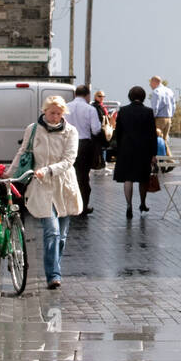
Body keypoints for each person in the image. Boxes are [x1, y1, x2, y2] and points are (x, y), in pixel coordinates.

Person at [7, 94, 82, 288]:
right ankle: (53, 275)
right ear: (44, 111)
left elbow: (69, 160)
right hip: (41, 186)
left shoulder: (71, 132)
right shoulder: (33, 130)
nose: (55, 117)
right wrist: (9, 174)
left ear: (63, 114)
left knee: (62, 236)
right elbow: (22, 152)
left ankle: (55, 266)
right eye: (51, 113)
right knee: (52, 231)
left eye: (58, 113)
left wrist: (49, 170)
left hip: (64, 185)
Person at [114, 86, 158, 217]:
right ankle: (143, 203)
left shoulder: (123, 111)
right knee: (143, 178)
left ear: (130, 96)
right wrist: (153, 154)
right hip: (143, 150)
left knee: (128, 178)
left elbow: (118, 132)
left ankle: (129, 205)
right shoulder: (148, 112)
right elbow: (152, 134)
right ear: (143, 97)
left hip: (126, 148)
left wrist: (119, 147)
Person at [64, 84, 102, 213]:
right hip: (84, 144)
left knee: (68, 174)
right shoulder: (90, 109)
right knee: (83, 177)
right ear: (87, 95)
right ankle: (83, 206)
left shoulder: (66, 108)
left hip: (67, 143)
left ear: (75, 94)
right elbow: (96, 130)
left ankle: (68, 204)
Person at [149, 76, 176, 155]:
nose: (150, 85)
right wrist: (171, 115)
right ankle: (167, 159)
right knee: (164, 140)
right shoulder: (169, 91)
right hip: (168, 118)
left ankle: (167, 159)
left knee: (156, 139)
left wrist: (152, 118)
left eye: (151, 83)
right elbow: (174, 105)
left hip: (159, 118)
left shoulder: (156, 92)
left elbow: (155, 107)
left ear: (155, 82)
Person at [92, 90, 112, 174]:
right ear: (95, 97)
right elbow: (99, 117)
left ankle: (102, 165)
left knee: (103, 148)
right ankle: (99, 166)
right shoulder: (95, 106)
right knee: (99, 149)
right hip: (98, 130)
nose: (101, 98)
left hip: (103, 130)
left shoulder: (101, 106)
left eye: (103, 96)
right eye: (99, 96)